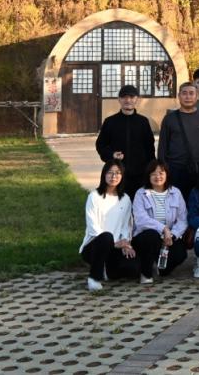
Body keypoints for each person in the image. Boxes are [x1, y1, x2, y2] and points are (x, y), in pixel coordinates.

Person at [80, 160, 137, 291]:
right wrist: (114, 244)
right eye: (110, 172)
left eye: (117, 173)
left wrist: (126, 243)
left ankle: (106, 269)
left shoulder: (125, 199)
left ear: (122, 176)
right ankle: (94, 278)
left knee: (133, 268)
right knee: (106, 237)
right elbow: (93, 226)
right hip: (95, 245)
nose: (113, 176)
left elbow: (127, 225)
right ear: (104, 175)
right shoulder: (94, 196)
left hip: (116, 247)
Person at [131, 160, 188, 283]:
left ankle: (159, 268)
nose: (157, 177)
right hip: (145, 237)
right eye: (153, 174)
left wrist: (172, 235)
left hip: (168, 238)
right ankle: (146, 274)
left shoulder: (176, 192)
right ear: (148, 176)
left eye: (161, 173)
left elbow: (182, 219)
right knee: (151, 236)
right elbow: (141, 219)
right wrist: (163, 229)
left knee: (181, 253)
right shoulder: (141, 193)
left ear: (167, 174)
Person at [95, 85, 156, 200]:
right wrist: (112, 154)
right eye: (124, 97)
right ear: (119, 99)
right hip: (116, 174)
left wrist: (151, 170)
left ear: (137, 99)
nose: (128, 100)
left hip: (140, 174)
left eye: (131, 97)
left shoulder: (143, 122)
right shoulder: (110, 122)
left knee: (139, 205)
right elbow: (100, 145)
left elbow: (150, 148)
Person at [158, 82, 199, 197]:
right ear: (179, 96)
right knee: (176, 202)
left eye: (191, 93)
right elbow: (162, 146)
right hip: (175, 169)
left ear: (196, 96)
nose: (188, 97)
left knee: (197, 201)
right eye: (184, 93)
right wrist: (163, 168)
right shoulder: (169, 119)